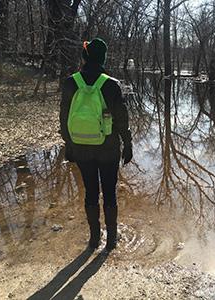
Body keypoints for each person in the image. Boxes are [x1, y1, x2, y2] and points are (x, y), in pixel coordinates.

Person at [59, 38, 133, 251]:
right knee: (109, 191)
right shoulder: (111, 84)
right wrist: (127, 144)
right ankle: (111, 240)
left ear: (85, 57)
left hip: (81, 146)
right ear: (103, 59)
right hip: (108, 147)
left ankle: (93, 239)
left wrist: (69, 144)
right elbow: (121, 119)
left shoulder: (71, 82)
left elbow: (64, 117)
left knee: (90, 191)